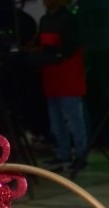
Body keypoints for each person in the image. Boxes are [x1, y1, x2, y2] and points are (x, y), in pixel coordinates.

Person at [30, 0, 88, 172]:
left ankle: (81, 155)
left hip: (68, 75)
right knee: (56, 120)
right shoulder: (45, 20)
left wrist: (47, 53)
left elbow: (70, 47)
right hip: (51, 76)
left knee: (73, 119)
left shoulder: (70, 19)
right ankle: (64, 154)